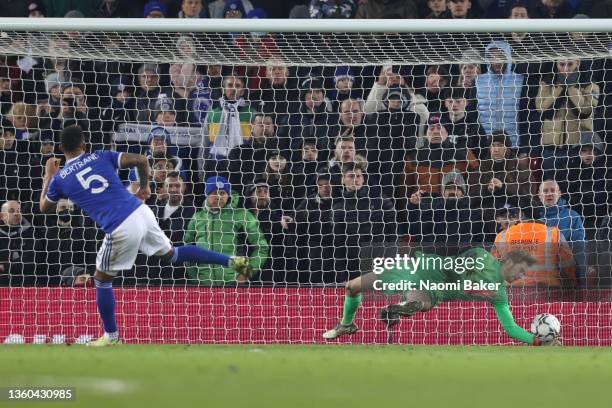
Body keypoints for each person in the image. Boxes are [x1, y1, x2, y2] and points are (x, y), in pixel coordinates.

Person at [38, 125, 251, 347]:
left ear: (61, 148)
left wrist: (48, 176)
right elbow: (141, 159)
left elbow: (45, 208)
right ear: (84, 145)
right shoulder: (100, 155)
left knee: (101, 280)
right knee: (172, 254)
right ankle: (233, 261)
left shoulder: (60, 178)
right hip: (141, 211)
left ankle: (111, 337)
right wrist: (145, 187)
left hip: (120, 224)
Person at [323, 247, 557, 346]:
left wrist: (538, 341)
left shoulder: (499, 295)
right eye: (522, 269)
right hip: (418, 266)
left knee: (418, 300)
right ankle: (346, 325)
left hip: (433, 287)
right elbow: (455, 268)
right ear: (509, 261)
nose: (522, 275)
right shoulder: (483, 257)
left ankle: (406, 305)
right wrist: (469, 283)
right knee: (352, 287)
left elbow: (511, 328)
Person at [184, 176, 268, 285]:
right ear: (207, 195)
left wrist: (246, 273)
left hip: (233, 284)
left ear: (228, 195)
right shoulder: (197, 217)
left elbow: (261, 247)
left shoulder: (241, 215)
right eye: (214, 192)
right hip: (203, 285)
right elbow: (187, 248)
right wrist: (195, 278)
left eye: (223, 193)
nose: (219, 197)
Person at [493, 219, 577, 288]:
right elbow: (568, 264)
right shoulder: (553, 233)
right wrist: (574, 285)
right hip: (548, 289)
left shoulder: (501, 236)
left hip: (514, 291)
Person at [476, 40, 524, 148]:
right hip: (485, 144)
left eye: (500, 56)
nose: (496, 60)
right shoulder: (478, 81)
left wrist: (525, 148)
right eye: (492, 57)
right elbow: (472, 114)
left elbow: (525, 115)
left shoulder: (520, 80)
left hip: (513, 143)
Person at [0, 200, 35, 286]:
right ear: (1, 216)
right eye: (11, 211)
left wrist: (5, 267)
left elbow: (32, 259)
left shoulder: (30, 233)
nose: (16, 214)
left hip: (26, 285)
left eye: (19, 211)